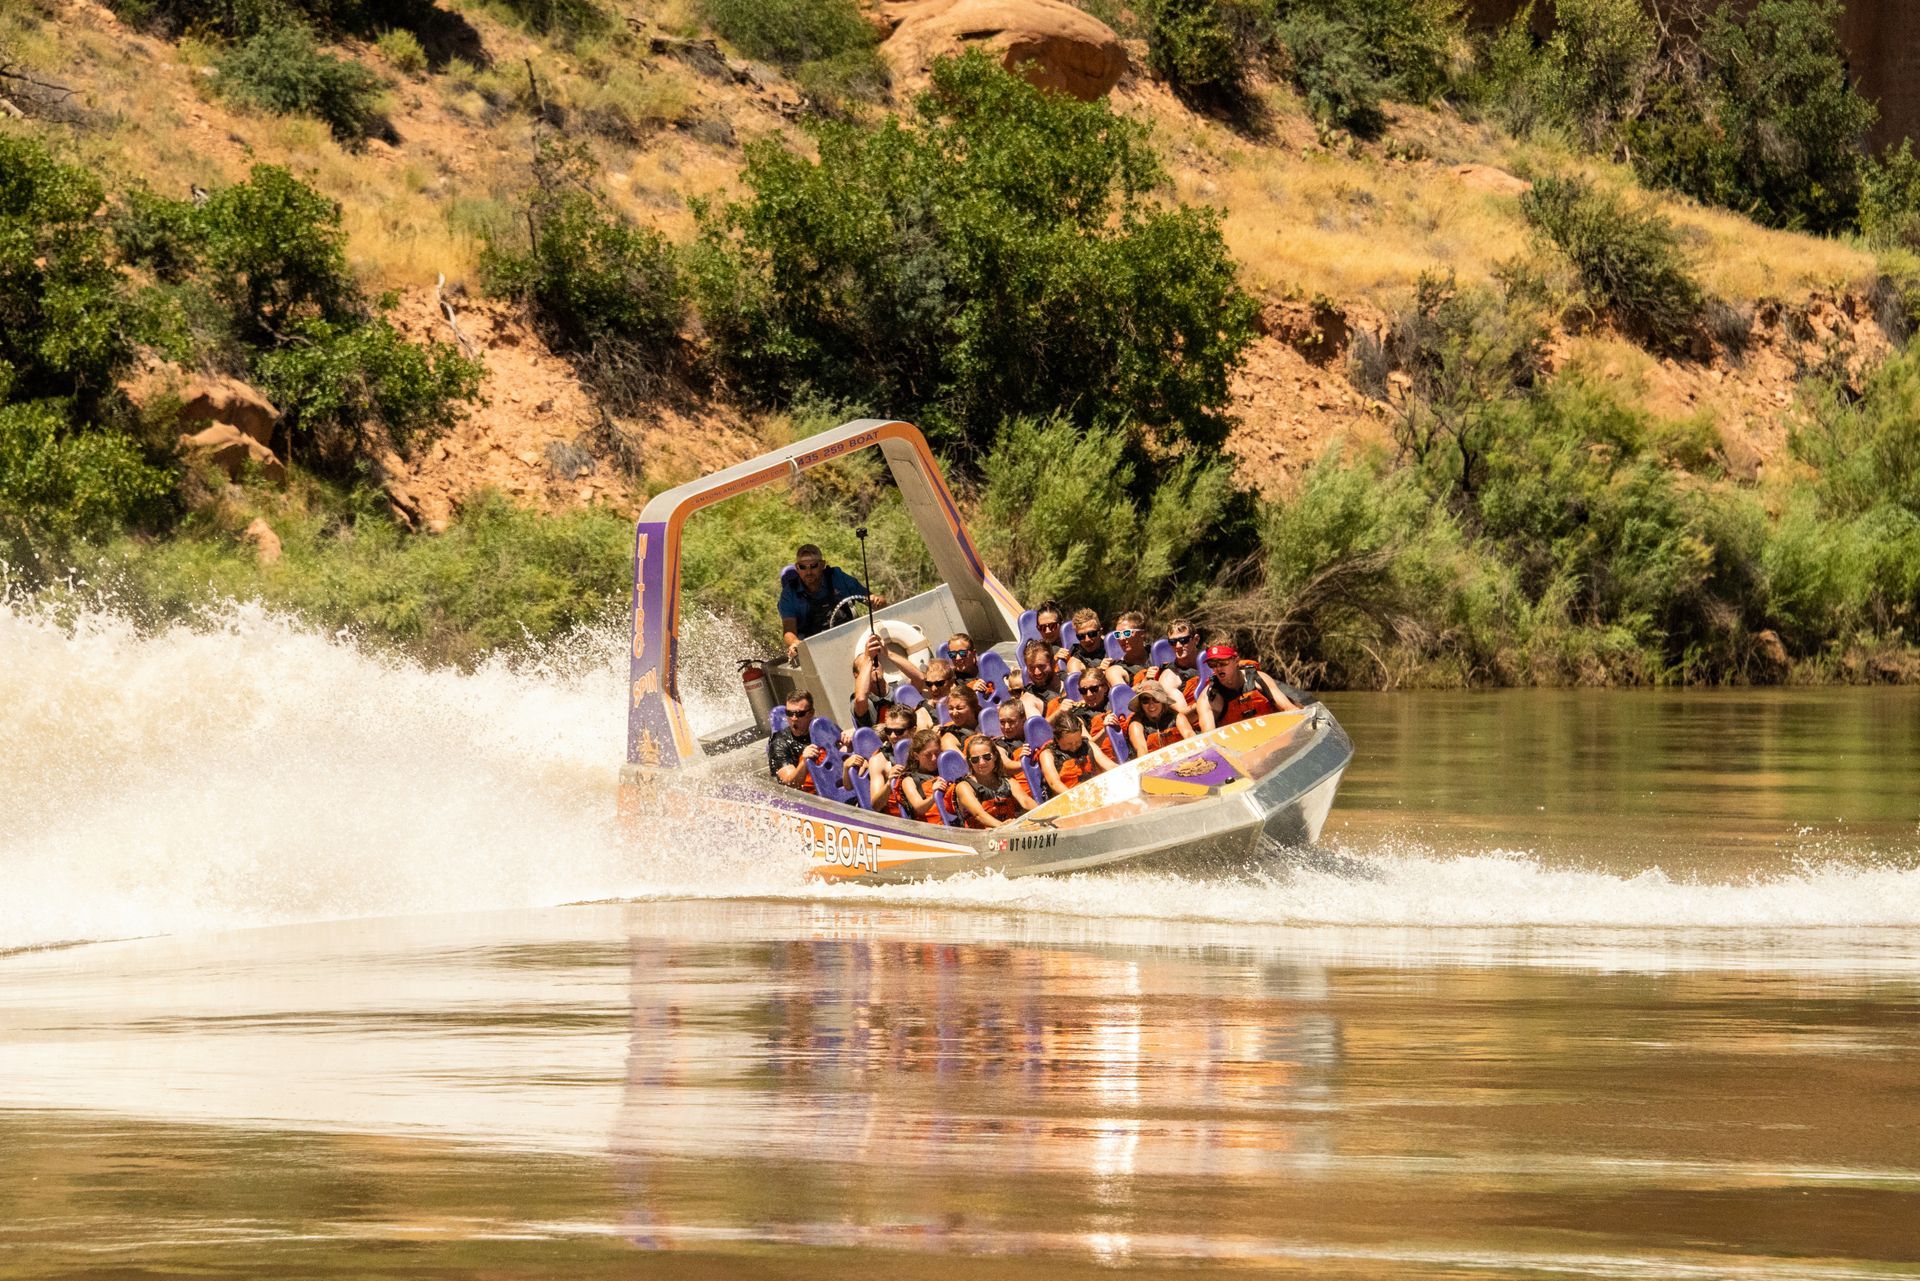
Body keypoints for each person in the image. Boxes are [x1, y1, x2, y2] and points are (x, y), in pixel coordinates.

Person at [777, 543, 887, 662]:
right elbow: (789, 630)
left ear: (822, 565)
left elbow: (874, 600)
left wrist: (877, 601)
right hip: (817, 651)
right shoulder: (789, 594)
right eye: (803, 567)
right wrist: (795, 643)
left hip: (854, 640)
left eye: (813, 566)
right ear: (797, 568)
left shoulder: (838, 577)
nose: (808, 572)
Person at [1196, 642, 1300, 731]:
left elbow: (1290, 710)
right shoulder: (1208, 699)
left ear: (1236, 660)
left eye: (1223, 662)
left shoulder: (1259, 680)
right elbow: (1209, 742)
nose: (1218, 668)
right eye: (1212, 664)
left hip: (1275, 736)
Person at [952, 733, 1036, 829]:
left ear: (995, 756)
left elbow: (1025, 801)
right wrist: (1004, 826)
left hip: (1010, 833)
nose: (982, 763)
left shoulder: (1008, 781)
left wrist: (1046, 813)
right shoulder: (964, 787)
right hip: (981, 839)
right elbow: (979, 814)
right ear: (969, 761)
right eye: (975, 759)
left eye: (987, 757)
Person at [1040, 708, 1114, 796]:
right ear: (1057, 739)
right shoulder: (1048, 755)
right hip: (1067, 799)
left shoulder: (1088, 745)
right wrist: (1075, 797)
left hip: (1094, 793)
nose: (1074, 746)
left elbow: (1110, 765)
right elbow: (1054, 783)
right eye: (1069, 744)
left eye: (1078, 742)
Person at [880, 727, 947, 823]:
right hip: (931, 827)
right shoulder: (909, 780)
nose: (934, 758)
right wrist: (934, 795)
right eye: (928, 755)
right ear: (916, 756)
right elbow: (919, 808)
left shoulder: (947, 771)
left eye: (937, 753)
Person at [767, 691, 821, 793]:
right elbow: (790, 784)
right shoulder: (779, 743)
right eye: (789, 713)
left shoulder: (822, 729)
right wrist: (804, 762)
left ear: (811, 713)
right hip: (808, 798)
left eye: (799, 714)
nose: (794, 718)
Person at [1125, 675, 1191, 756]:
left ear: (1162, 701)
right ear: (1140, 704)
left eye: (1155, 699)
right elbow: (1142, 750)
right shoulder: (1136, 725)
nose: (1151, 705)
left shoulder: (1177, 717)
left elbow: (1189, 735)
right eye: (1145, 700)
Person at [1017, 638, 1064, 722]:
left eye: (1041, 666)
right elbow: (1038, 731)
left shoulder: (1070, 681)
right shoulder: (1029, 700)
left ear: (1053, 663)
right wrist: (1059, 712)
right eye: (1031, 668)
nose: (1037, 672)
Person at [937, 684, 981, 752]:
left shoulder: (987, 722)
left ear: (973, 707)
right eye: (950, 708)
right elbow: (962, 762)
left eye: (959, 708)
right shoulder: (948, 739)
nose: (954, 713)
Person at [1064, 607, 1107, 674]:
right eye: (1081, 636)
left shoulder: (1113, 646)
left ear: (1101, 632)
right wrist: (1099, 671)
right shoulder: (1076, 663)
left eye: (1091, 634)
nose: (1087, 640)